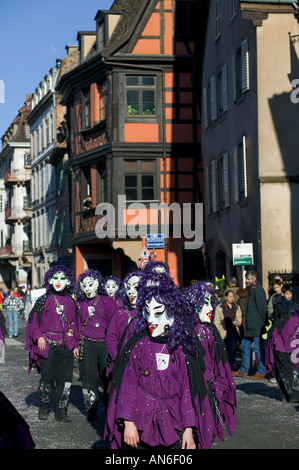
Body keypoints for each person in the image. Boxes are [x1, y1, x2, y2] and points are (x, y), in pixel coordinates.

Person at [105, 271, 208, 449]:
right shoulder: (138, 345)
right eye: (147, 312)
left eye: (158, 313)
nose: (151, 319)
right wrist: (128, 422)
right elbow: (129, 385)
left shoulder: (181, 348)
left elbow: (187, 391)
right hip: (140, 421)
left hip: (174, 421)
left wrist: (189, 429)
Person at [183, 281, 237, 447]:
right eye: (205, 304)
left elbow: (218, 359)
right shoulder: (184, 330)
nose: (211, 308)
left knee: (208, 430)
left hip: (209, 388)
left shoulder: (210, 328)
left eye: (210, 303)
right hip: (190, 391)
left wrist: (221, 381)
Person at [26, 265, 78, 422]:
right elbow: (33, 322)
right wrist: (39, 337)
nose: (58, 281)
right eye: (55, 278)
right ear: (49, 280)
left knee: (65, 379)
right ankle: (44, 407)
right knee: (47, 378)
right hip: (47, 345)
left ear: (68, 281)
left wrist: (74, 343)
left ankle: (62, 412)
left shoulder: (71, 301)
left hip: (65, 346)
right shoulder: (43, 300)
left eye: (62, 278)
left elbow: (76, 323)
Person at [74, 269, 118, 419]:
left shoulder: (108, 302)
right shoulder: (79, 304)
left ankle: (109, 407)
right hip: (87, 345)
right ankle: (91, 408)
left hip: (104, 345)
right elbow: (77, 326)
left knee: (108, 376)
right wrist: (75, 345)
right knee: (88, 378)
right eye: (84, 286)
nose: (87, 289)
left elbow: (115, 325)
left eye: (90, 285)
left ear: (98, 284)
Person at [105, 270, 143, 375]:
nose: (131, 292)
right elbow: (110, 336)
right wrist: (117, 355)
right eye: (128, 288)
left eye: (136, 288)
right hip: (121, 364)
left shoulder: (149, 313)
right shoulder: (120, 312)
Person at [265, 288, 299, 403]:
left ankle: (285, 395)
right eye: (287, 293)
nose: (289, 295)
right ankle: (293, 396)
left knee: (284, 371)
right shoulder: (292, 317)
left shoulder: (293, 313)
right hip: (281, 344)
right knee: (289, 370)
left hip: (281, 344)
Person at [232, 270, 268, 379]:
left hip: (256, 325)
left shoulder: (258, 290)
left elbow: (262, 308)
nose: (246, 281)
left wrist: (264, 322)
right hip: (249, 326)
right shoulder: (251, 289)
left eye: (248, 279)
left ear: (253, 278)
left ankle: (261, 371)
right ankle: (244, 369)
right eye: (246, 279)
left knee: (258, 349)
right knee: (245, 345)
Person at [214, 289, 242, 368]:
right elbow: (217, 321)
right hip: (223, 332)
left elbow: (239, 317)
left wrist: (238, 322)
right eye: (230, 296)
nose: (232, 298)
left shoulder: (236, 307)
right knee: (224, 350)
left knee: (232, 349)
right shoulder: (220, 307)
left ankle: (230, 364)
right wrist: (217, 333)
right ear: (226, 297)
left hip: (233, 331)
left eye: (233, 296)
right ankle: (224, 365)